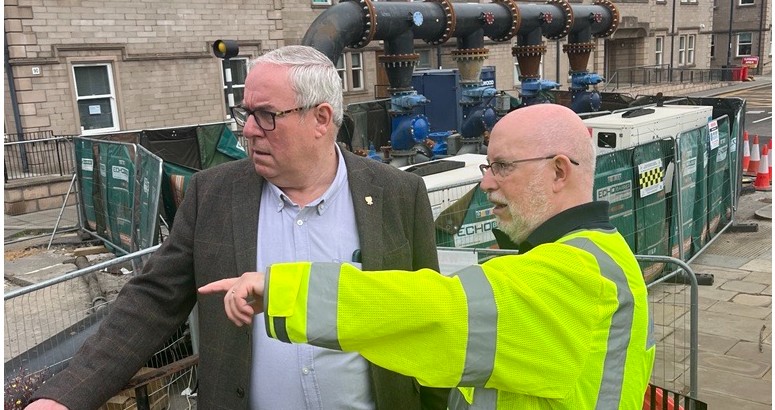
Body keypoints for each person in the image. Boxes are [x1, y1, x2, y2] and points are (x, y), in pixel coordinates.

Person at [28, 45, 449, 410]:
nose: (247, 130)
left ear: (321, 119)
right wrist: (64, 395)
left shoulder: (398, 194)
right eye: (246, 113)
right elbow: (153, 300)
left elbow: (429, 319)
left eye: (266, 115)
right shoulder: (213, 194)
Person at [200, 103, 657, 409]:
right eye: (486, 166)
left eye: (501, 166)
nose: (486, 183)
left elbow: (436, 311)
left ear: (559, 170)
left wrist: (284, 290)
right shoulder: (593, 257)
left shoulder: (576, 274)